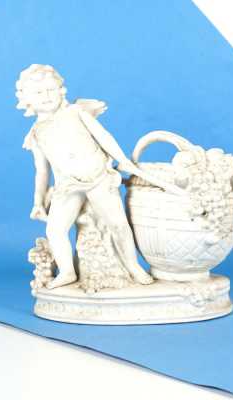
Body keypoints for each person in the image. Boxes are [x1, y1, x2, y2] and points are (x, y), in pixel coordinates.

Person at [16, 64, 153, 288]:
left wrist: (122, 159)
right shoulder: (36, 134)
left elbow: (103, 136)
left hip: (98, 177)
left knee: (118, 224)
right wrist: (38, 202)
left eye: (51, 89)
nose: (47, 96)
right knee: (55, 230)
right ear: (27, 99)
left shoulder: (76, 113)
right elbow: (42, 171)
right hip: (68, 186)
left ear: (61, 90)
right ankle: (67, 271)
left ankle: (133, 266)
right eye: (39, 92)